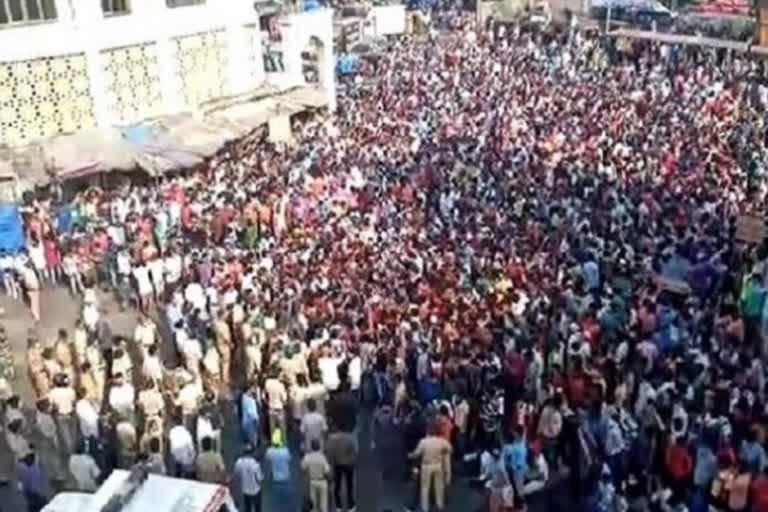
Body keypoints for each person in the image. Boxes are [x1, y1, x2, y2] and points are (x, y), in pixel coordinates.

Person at [409, 422, 453, 512]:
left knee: (425, 488)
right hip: (438, 465)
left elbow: (417, 453)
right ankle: (439, 505)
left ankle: (425, 508)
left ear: (428, 431)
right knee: (439, 487)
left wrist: (409, 455)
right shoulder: (442, 441)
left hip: (426, 466)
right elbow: (450, 449)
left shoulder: (424, 442)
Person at [326, 428, 357, 512]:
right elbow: (354, 451)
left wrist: (331, 462)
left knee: (337, 486)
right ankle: (351, 505)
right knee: (349, 485)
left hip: (338, 464)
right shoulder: (350, 438)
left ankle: (338, 506)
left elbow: (329, 451)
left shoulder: (333, 439)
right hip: (349, 464)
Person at [265, 429, 293, 512]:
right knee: (287, 503)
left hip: (275, 479)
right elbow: (289, 460)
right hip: (286, 478)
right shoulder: (285, 451)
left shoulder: (270, 451)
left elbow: (267, 461)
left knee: (277, 505)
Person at [301, 439, 331, 512]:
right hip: (322, 481)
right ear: (319, 446)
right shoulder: (323, 457)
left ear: (311, 447)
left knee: (313, 504)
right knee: (323, 504)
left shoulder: (307, 457)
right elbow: (327, 471)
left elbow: (303, 467)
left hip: (312, 481)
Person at [234, 444, 263, 512]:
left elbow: (237, 474)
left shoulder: (239, 462)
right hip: (255, 490)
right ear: (252, 452)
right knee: (257, 508)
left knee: (247, 508)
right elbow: (259, 479)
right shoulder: (255, 464)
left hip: (245, 490)